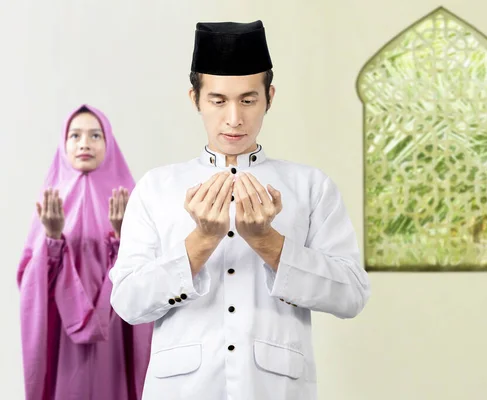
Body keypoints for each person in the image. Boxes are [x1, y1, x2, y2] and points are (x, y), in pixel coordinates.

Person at [109, 20, 371, 400]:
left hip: (276, 389)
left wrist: (268, 242)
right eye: (218, 100)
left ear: (270, 97)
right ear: (194, 99)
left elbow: (351, 294)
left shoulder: (310, 186)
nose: (234, 118)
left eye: (248, 100)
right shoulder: (156, 187)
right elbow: (128, 302)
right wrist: (202, 240)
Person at [17, 104, 153, 400]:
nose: (84, 143)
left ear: (109, 143)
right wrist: (52, 238)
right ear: (63, 144)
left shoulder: (129, 198)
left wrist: (122, 235)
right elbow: (28, 278)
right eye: (75, 135)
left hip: (115, 333)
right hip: (64, 341)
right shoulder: (51, 201)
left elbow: (149, 275)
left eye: (95, 135)